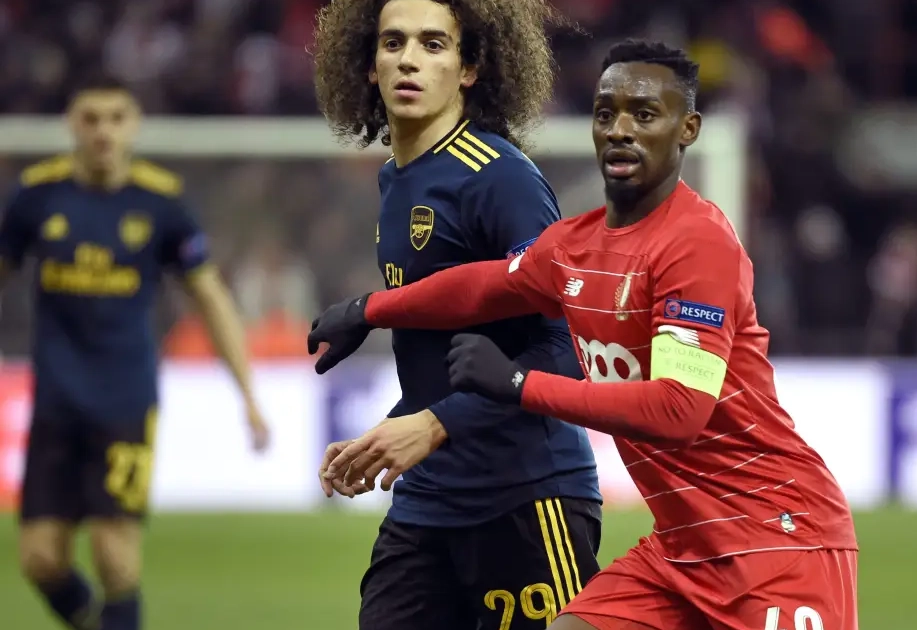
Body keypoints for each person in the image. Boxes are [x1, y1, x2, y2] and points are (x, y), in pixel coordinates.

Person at [309, 39, 860, 630]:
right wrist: (369, 309)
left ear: (688, 129)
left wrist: (517, 383)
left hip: (776, 539)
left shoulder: (696, 243)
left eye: (644, 114)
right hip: (680, 549)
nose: (620, 129)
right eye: (606, 113)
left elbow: (680, 410)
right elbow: (480, 286)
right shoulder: (576, 246)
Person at [309, 1, 602, 629]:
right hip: (429, 501)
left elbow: (569, 347)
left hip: (526, 497)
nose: (409, 59)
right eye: (393, 43)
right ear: (369, 66)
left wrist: (435, 424)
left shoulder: (499, 178)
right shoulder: (396, 180)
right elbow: (439, 362)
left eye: (434, 44)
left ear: (469, 69)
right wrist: (387, 435)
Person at [0, 76, 270, 630]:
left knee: (114, 551)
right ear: (72, 124)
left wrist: (248, 394)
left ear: (134, 124)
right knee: (41, 558)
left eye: (116, 118)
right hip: (55, 403)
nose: (103, 131)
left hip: (124, 401)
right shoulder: (35, 197)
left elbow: (211, 299)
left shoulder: (159, 202)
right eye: (91, 119)